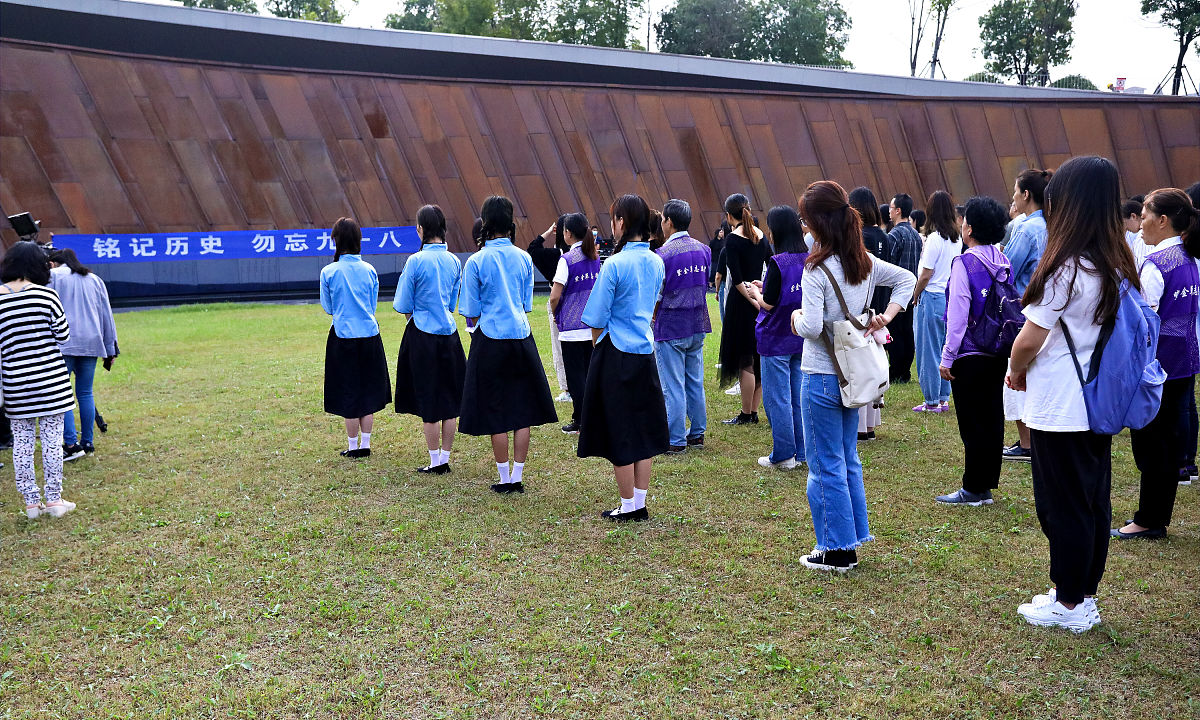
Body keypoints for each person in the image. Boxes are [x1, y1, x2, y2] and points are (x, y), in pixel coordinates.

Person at [1007, 156, 1133, 633]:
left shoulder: (1067, 265)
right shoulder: (1117, 261)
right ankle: (1082, 593)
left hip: (1061, 402)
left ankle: (1069, 602)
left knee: (1062, 505)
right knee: (1091, 501)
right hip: (1098, 401)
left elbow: (1029, 340)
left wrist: (1016, 372)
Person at [793, 181, 916, 572]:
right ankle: (851, 536)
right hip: (853, 374)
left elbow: (812, 327)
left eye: (806, 219)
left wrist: (795, 319)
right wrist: (886, 315)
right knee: (846, 458)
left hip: (822, 374)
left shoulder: (816, 269)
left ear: (817, 223)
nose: (803, 226)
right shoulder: (861, 261)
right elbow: (907, 281)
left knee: (824, 463)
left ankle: (836, 549)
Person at [1112, 188, 1200, 539]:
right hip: (1184, 363)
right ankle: (1155, 515)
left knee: (1151, 444)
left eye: (1145, 213)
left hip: (1155, 369)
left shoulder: (1155, 265)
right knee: (1167, 443)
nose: (1140, 222)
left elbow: (1140, 324)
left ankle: (1149, 519)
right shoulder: (1191, 259)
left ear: (1163, 220)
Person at [577, 194, 669, 522]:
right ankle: (638, 502)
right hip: (645, 351)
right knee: (643, 428)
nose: (611, 224)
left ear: (622, 222)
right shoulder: (657, 261)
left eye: (614, 218)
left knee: (618, 429)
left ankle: (628, 504)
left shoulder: (614, 264)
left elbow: (596, 316)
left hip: (615, 352)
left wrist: (596, 345)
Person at [459, 196, 558, 494]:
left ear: (485, 223)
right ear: (511, 222)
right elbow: (526, 304)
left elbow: (471, 310)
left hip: (490, 338)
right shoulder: (524, 258)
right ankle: (517, 475)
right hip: (521, 337)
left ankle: (504, 478)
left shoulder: (475, 261)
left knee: (495, 408)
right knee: (522, 407)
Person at [935, 196, 1012, 505]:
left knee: (972, 420)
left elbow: (957, 315)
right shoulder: (1002, 259)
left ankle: (973, 488)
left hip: (969, 352)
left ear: (970, 228)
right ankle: (985, 484)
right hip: (998, 348)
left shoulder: (965, 262)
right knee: (992, 415)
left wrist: (946, 356)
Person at [0, 242, 75, 518]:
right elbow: (64, 336)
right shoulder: (47, 297)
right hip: (51, 382)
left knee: (22, 442)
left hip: (15, 385)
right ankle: (54, 500)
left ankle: (32, 503)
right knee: (52, 440)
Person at [393, 204, 466, 475]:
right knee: (449, 398)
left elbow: (402, 303)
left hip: (421, 334)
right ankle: (444, 457)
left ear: (421, 229)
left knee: (428, 398)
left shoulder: (415, 261)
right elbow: (450, 304)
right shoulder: (455, 261)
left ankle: (435, 459)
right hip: (449, 335)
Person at [320, 217, 392, 459]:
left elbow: (328, 307)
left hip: (343, 337)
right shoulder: (369, 270)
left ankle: (353, 446)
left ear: (336, 241)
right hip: (370, 335)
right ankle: (366, 443)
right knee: (369, 390)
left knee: (348, 390)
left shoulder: (329, 271)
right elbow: (372, 306)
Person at [750, 205, 808, 469]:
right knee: (797, 396)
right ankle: (803, 452)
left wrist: (755, 295)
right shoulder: (808, 259)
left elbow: (769, 303)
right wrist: (767, 290)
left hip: (774, 339)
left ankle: (783, 455)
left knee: (778, 398)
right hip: (799, 335)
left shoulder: (777, 262)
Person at [47, 248, 117, 460]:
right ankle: (88, 441)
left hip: (64, 343)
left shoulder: (53, 277)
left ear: (54, 263)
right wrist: (111, 347)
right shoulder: (94, 279)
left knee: (63, 394)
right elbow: (106, 314)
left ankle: (70, 443)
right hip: (92, 342)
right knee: (85, 392)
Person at [653, 199, 712, 453]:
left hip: (670, 327)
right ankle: (697, 433)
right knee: (694, 381)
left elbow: (657, 295)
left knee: (672, 385)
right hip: (697, 323)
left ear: (669, 222)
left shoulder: (662, 256)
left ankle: (675, 439)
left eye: (664, 219)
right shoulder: (704, 250)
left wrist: (654, 318)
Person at [1002, 169, 1052, 462]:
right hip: (1048, 311)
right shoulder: (1051, 224)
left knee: (1017, 375)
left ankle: (1026, 442)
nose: (1012, 196)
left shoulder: (1026, 229)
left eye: (1015, 190)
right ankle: (1035, 438)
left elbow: (1007, 269)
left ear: (1026, 195)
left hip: (1022, 311)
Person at [718, 193, 771, 424]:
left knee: (744, 359)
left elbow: (736, 278)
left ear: (729, 215)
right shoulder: (760, 235)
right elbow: (772, 265)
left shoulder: (732, 239)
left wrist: (750, 300)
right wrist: (760, 298)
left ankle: (746, 413)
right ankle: (755, 411)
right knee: (757, 356)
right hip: (759, 297)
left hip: (741, 303)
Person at [548, 212, 600, 435]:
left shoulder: (566, 260)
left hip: (571, 329)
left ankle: (580, 420)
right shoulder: (595, 257)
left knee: (576, 378)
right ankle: (592, 417)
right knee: (589, 375)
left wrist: (556, 314)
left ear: (568, 234)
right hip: (592, 328)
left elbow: (554, 296)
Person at [912, 191, 961, 412]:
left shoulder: (933, 239)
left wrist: (914, 294)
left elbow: (925, 274)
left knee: (928, 350)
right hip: (948, 297)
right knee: (944, 348)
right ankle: (943, 397)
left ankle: (931, 401)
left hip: (930, 296)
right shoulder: (957, 238)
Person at [851, 188, 888, 439]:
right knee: (875, 363)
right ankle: (871, 424)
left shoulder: (860, 237)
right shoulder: (885, 237)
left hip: (864, 309)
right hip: (883, 307)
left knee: (860, 366)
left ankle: (862, 427)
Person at [528, 217, 571, 403]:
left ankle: (567, 388)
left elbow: (533, 249)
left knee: (560, 346)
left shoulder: (555, 256)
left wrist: (547, 232)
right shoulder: (585, 255)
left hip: (559, 303)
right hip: (581, 302)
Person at [883, 193, 922, 383]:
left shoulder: (895, 234)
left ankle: (897, 371)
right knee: (907, 331)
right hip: (912, 291)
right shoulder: (915, 234)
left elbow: (888, 263)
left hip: (896, 292)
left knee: (896, 332)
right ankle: (905, 370)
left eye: (891, 208)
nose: (889, 211)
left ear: (898, 210)